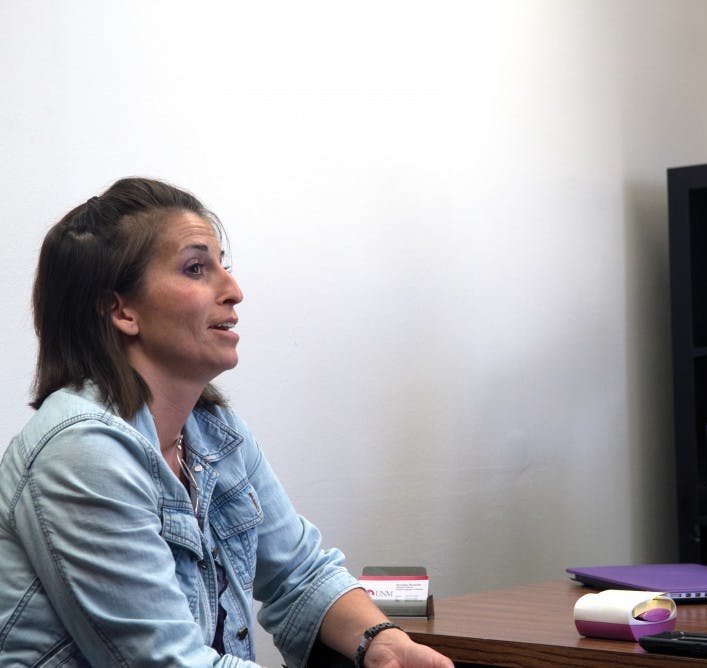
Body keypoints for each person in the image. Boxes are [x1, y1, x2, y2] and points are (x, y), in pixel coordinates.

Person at [0, 178, 454, 667]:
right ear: (120, 308)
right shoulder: (82, 450)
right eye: (197, 268)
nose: (233, 291)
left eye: (224, 266)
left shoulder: (213, 429)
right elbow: (168, 662)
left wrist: (381, 641)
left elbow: (302, 576)